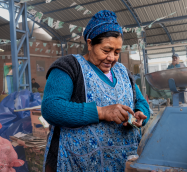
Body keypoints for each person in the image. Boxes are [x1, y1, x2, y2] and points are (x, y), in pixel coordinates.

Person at [42, 10, 150, 172]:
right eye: (106, 51)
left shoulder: (122, 72)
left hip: (122, 163)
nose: (112, 58)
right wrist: (101, 112)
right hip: (77, 163)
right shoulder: (70, 67)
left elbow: (140, 101)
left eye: (117, 52)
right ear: (90, 44)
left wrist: (140, 114)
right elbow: (51, 108)